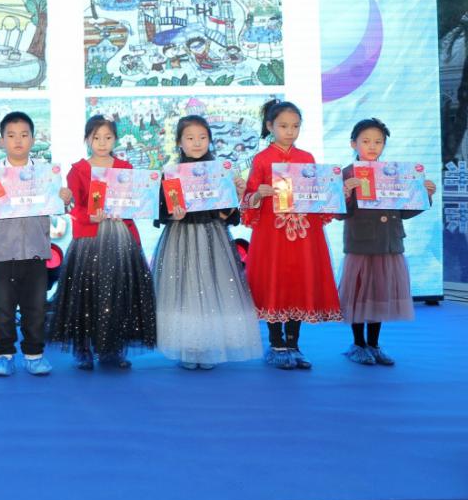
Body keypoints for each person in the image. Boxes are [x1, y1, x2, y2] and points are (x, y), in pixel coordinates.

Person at [152, 116, 262, 370]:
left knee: (213, 289)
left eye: (202, 137)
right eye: (190, 138)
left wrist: (235, 196)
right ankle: (190, 347)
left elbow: (227, 215)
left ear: (210, 140)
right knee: (185, 291)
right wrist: (173, 215)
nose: (197, 143)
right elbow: (161, 211)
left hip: (213, 238)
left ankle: (210, 345)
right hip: (181, 238)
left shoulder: (220, 171)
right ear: (179, 142)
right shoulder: (171, 174)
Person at [241, 99, 342, 371]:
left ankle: (294, 344)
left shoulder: (306, 158)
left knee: (298, 281)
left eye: (295, 126)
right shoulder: (262, 159)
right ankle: (276, 345)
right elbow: (248, 198)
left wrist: (333, 192)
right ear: (270, 126)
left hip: (303, 232)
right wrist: (258, 194)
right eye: (284, 126)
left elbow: (316, 194)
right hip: (272, 234)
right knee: (275, 281)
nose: (290, 131)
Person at [49, 115, 156, 370]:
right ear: (87, 139)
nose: (102, 142)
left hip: (121, 237)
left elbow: (137, 200)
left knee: (118, 295)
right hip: (90, 238)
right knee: (87, 296)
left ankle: (112, 349)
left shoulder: (125, 168)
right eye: (96, 137)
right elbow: (73, 207)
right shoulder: (78, 170)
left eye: (107, 137)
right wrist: (87, 213)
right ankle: (84, 350)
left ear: (115, 139)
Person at [0, 111, 70, 377]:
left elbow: (61, 207)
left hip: (36, 252)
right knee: (2, 308)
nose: (18, 141)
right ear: (2, 140)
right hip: (2, 253)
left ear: (33, 140)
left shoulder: (46, 173)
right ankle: (3, 354)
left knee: (35, 307)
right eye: (12, 135)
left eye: (24, 135)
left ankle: (34, 354)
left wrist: (65, 198)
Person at [337, 118, 435, 366]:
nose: (372, 146)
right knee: (359, 296)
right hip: (361, 246)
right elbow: (338, 214)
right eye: (366, 141)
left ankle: (374, 344)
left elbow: (404, 210)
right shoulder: (347, 173)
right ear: (353, 143)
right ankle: (358, 345)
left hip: (389, 244)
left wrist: (424, 195)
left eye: (378, 142)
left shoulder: (394, 173)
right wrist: (344, 192)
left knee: (379, 295)